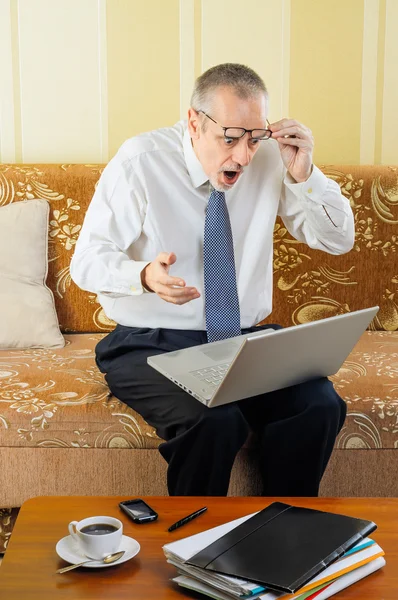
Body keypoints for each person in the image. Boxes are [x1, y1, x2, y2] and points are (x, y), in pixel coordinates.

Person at [70, 63, 354, 497]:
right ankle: (194, 550)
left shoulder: (271, 161)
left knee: (319, 404)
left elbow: (338, 241)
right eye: (230, 137)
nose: (243, 155)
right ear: (194, 122)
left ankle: (285, 532)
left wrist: (305, 176)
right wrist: (143, 275)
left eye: (255, 138)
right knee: (215, 418)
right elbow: (86, 261)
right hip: (150, 342)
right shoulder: (140, 162)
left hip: (240, 342)